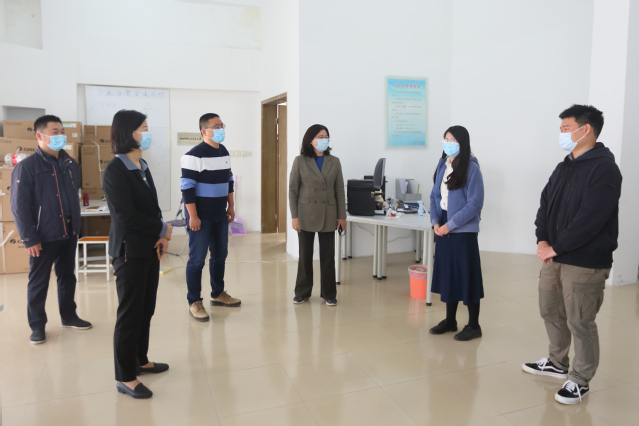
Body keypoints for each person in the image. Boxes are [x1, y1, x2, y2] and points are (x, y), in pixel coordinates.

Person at [523, 105, 622, 405]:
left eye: (566, 128)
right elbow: (545, 203)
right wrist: (543, 238)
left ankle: (580, 379)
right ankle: (557, 362)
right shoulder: (564, 166)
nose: (562, 134)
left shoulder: (605, 169)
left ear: (585, 129)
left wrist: (557, 246)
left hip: (585, 259)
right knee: (550, 309)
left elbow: (591, 217)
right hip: (554, 255)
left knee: (580, 321)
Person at [102, 110, 172, 399]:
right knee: (130, 313)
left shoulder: (141, 164)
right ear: (128, 132)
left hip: (148, 248)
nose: (147, 133)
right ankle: (125, 376)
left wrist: (160, 234)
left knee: (146, 309)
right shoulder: (115, 170)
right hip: (129, 252)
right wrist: (163, 228)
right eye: (143, 128)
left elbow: (150, 208)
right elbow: (126, 215)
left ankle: (140, 360)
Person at [10, 115, 92, 344]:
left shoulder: (70, 163)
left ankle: (69, 316)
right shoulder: (27, 167)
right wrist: (29, 238)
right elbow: (18, 206)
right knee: (39, 282)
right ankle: (37, 326)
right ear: (40, 136)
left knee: (67, 276)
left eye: (62, 131)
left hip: (68, 230)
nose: (61, 136)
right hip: (43, 235)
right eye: (55, 132)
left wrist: (76, 227)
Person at [181, 113, 240, 322]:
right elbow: (187, 188)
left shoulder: (223, 151)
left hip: (220, 214)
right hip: (200, 216)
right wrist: (193, 216)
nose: (220, 129)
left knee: (220, 255)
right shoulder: (193, 155)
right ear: (204, 131)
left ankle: (218, 293)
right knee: (197, 260)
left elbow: (229, 180)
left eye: (222, 125)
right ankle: (194, 302)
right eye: (216, 126)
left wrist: (231, 205)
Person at [428, 125, 485, 342]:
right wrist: (435, 222)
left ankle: (474, 325)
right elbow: (434, 197)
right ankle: (450, 320)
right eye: (446, 139)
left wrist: (450, 225)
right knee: (448, 274)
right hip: (443, 225)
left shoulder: (472, 168)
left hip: (462, 229)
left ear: (463, 143)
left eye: (453, 140)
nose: (448, 143)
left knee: (467, 276)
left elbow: (475, 204)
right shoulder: (443, 164)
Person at [289, 124, 346, 306]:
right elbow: (293, 190)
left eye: (326, 137)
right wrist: (294, 216)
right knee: (305, 256)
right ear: (310, 140)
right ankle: (302, 291)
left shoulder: (334, 161)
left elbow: (339, 190)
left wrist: (342, 216)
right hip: (305, 213)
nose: (324, 140)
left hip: (329, 213)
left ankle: (329, 293)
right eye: (320, 137)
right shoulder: (300, 161)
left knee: (328, 257)